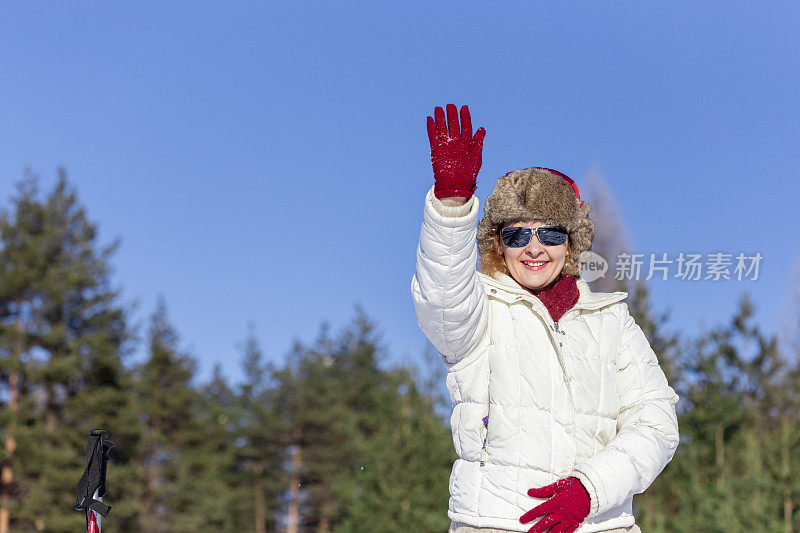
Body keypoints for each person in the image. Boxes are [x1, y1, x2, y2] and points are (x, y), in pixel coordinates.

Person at [411, 104, 680, 533]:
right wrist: (451, 203)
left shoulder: (612, 322)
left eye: (550, 233)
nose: (534, 248)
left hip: (599, 524)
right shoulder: (479, 310)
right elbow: (442, 299)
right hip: (494, 522)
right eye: (517, 234)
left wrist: (590, 489)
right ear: (498, 244)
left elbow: (656, 423)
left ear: (571, 244)